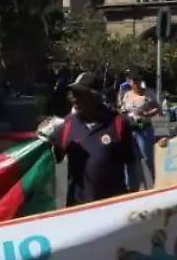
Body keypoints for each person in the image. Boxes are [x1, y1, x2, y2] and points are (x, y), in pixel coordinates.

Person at [50, 71, 142, 206]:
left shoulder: (118, 123)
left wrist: (131, 200)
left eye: (80, 94)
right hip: (77, 209)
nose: (75, 99)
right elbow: (48, 160)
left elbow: (133, 165)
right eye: (73, 94)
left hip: (112, 207)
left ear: (96, 96)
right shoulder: (67, 125)